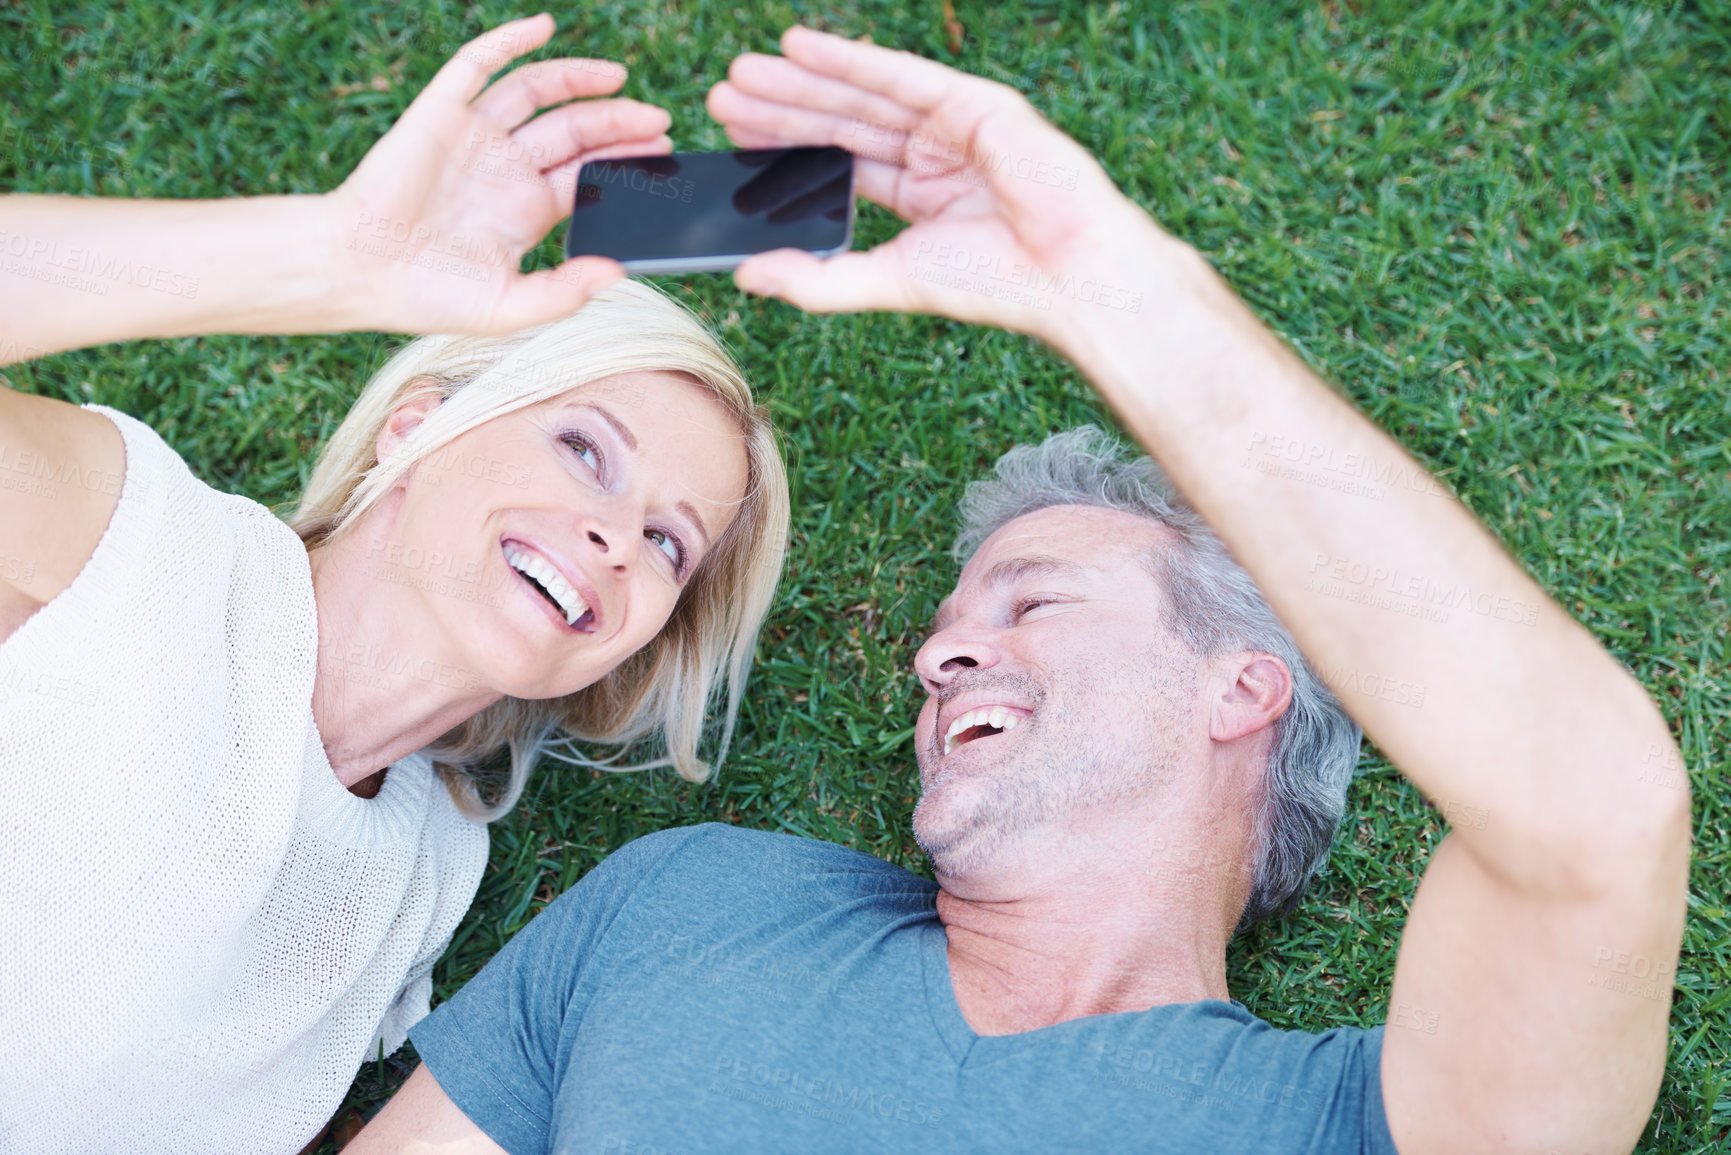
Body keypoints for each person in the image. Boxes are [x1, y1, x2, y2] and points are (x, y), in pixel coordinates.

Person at [349, 23, 1692, 1155]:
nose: (936, 660)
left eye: (1031, 601)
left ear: (1241, 685)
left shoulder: (1349, 1117)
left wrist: (1115, 297)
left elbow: (1590, 818)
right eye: (943, 631)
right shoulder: (689, 908)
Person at [0, 16, 788, 1153]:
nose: (617, 536)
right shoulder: (142, 547)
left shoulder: (426, 873)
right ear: (415, 433)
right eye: (582, 448)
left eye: (669, 543)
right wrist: (333, 257)